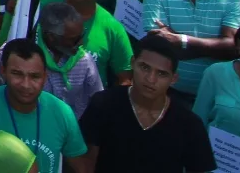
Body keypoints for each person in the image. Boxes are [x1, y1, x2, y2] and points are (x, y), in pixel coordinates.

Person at [77, 35, 217, 173]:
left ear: (174, 79)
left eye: (161, 74)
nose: (151, 79)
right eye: (144, 67)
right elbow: (86, 164)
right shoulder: (104, 103)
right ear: (132, 62)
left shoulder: (189, 125)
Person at [0, 38, 88, 173]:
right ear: (3, 71)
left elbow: (80, 167)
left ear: (45, 77)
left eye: (34, 76)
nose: (26, 85)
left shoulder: (62, 113)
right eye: (17, 74)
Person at [0, 3, 102, 118]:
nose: (80, 43)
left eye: (81, 36)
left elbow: (98, 98)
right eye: (74, 39)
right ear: (51, 37)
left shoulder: (84, 61)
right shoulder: (16, 54)